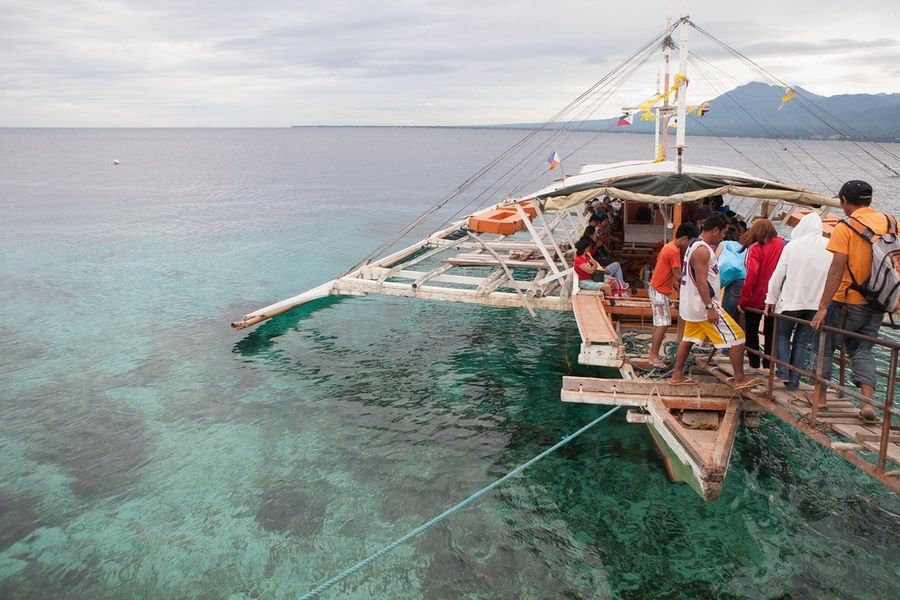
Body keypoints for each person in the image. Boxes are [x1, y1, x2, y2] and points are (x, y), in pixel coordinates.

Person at [811, 180, 891, 421]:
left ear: (844, 201)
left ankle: (820, 398)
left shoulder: (846, 226)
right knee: (863, 348)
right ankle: (867, 404)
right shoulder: (891, 222)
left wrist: (823, 306)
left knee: (823, 344)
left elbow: (837, 269)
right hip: (879, 300)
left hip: (848, 298)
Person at [670, 213, 759, 389]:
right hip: (704, 305)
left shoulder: (693, 245)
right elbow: (702, 281)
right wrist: (710, 307)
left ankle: (676, 375)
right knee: (737, 337)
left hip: (693, 304)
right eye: (723, 232)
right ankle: (740, 379)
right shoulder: (702, 250)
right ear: (716, 230)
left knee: (688, 338)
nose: (723, 236)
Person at [764, 212, 832, 389]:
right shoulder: (830, 247)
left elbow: (778, 274)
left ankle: (783, 372)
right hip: (815, 304)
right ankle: (794, 381)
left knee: (782, 334)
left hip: (791, 300)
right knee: (802, 341)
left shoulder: (793, 245)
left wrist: (770, 299)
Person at [647, 222, 699, 368]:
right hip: (659, 290)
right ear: (684, 238)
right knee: (663, 323)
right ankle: (653, 356)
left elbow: (671, 277)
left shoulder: (668, 246)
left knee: (659, 323)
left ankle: (654, 353)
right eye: (689, 243)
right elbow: (678, 276)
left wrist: (682, 292)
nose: (688, 246)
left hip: (658, 288)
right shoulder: (674, 251)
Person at [738, 218, 786, 370]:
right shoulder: (782, 244)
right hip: (776, 297)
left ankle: (754, 362)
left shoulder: (755, 248)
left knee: (751, 330)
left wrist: (743, 300)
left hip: (756, 297)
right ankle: (768, 364)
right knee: (771, 331)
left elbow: (751, 275)